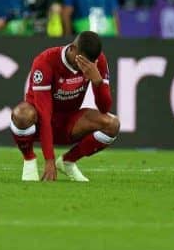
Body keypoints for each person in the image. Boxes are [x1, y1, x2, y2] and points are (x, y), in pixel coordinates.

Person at [10, 31, 120, 182]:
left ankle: (68, 161)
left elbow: (104, 108)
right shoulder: (46, 61)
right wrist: (49, 159)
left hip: (69, 123)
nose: (84, 67)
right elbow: (44, 114)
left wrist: (97, 82)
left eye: (89, 63)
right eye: (81, 61)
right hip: (37, 124)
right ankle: (29, 159)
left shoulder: (97, 61)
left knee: (112, 124)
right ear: (73, 49)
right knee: (21, 114)